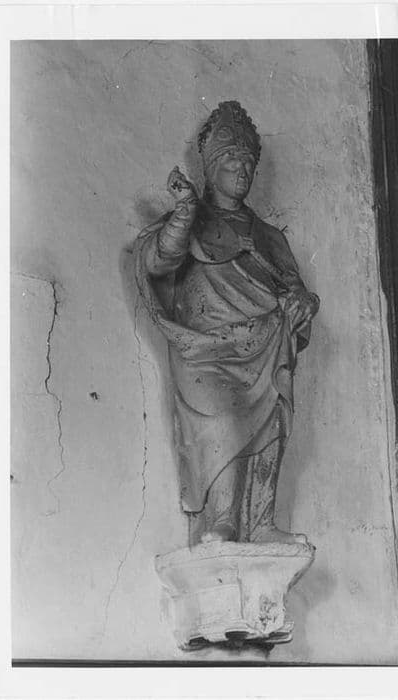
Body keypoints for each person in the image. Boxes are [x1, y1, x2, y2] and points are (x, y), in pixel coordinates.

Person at [135, 101, 319, 545]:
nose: (244, 169)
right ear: (212, 165)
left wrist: (304, 303)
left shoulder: (269, 236)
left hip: (265, 343)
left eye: (250, 161)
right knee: (226, 422)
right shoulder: (190, 220)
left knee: (272, 423)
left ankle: (261, 523)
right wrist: (184, 212)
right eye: (233, 158)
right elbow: (159, 261)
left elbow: (293, 288)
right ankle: (223, 520)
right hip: (206, 350)